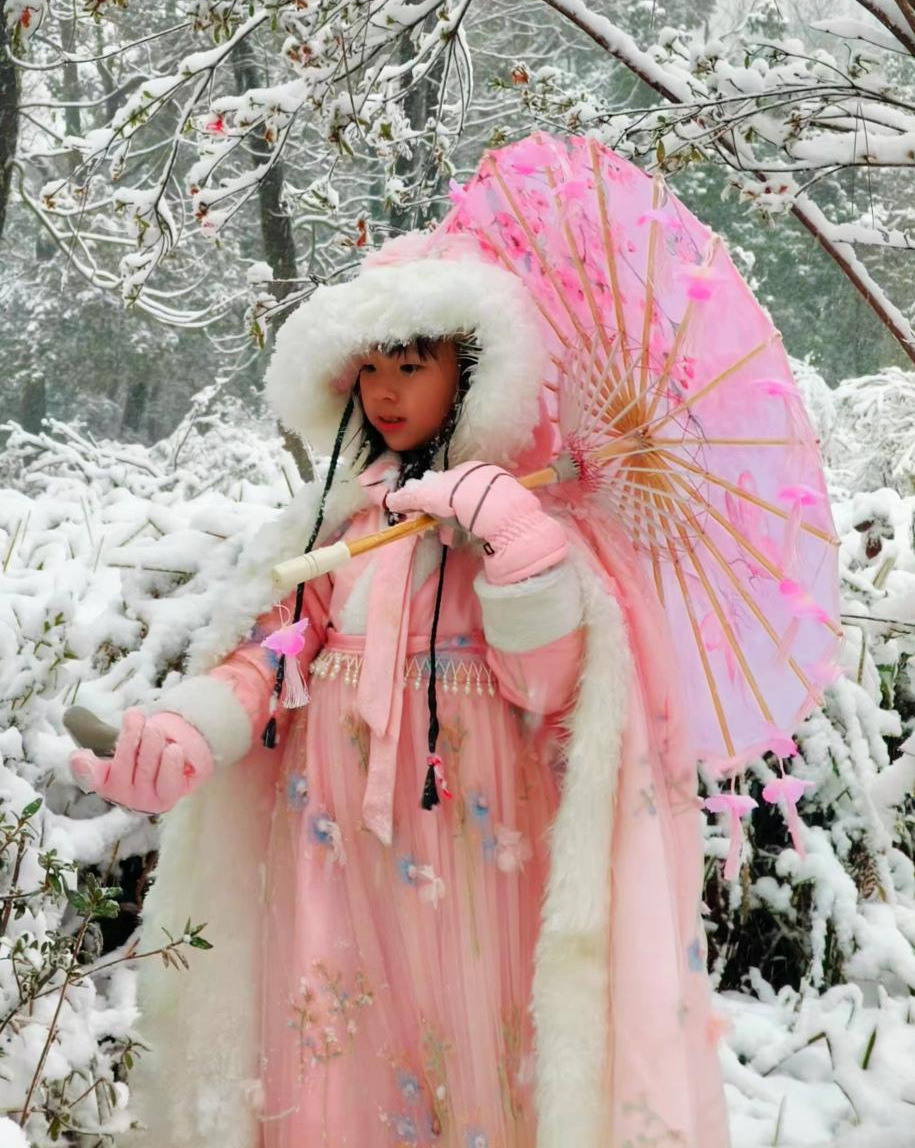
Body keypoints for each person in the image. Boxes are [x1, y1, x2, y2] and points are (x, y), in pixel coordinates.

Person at [71, 231, 732, 1147]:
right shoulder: (337, 518)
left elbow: (548, 690)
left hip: (475, 836)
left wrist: (514, 546)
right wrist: (193, 733)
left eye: (411, 366)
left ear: (471, 369)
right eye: (369, 366)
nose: (383, 392)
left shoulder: (519, 511)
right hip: (332, 839)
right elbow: (279, 653)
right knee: (336, 1046)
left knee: (473, 1037)